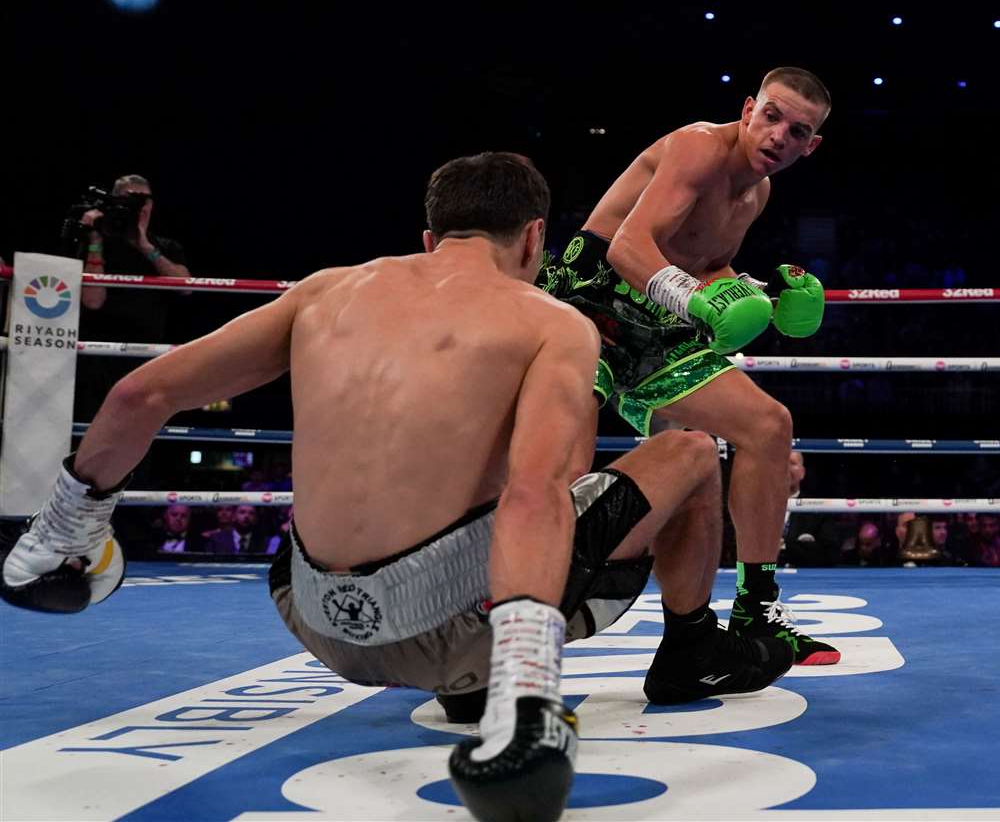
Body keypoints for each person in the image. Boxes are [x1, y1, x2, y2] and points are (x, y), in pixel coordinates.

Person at [2, 151, 792, 822]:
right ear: (535, 240)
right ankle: (679, 652)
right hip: (453, 629)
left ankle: (50, 539)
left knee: (449, 493)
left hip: (311, 619)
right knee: (686, 451)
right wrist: (531, 701)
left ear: (429, 237)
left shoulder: (324, 290)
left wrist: (64, 532)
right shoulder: (551, 321)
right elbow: (535, 496)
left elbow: (141, 397)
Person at [542, 67, 840, 664]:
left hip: (656, 326)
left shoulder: (757, 193)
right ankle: (472, 617)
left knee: (768, 426)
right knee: (560, 470)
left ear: (811, 146)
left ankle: (756, 612)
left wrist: (765, 300)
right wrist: (696, 298)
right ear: (750, 107)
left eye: (798, 130)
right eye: (772, 116)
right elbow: (629, 247)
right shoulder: (698, 146)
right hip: (586, 309)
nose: (779, 135)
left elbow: (706, 268)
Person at [74, 174, 193, 420]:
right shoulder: (95, 242)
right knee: (91, 430)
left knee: (138, 433)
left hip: (146, 357)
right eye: (130, 199)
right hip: (98, 357)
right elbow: (93, 301)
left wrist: (145, 246)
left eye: (144, 200)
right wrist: (95, 240)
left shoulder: (164, 246)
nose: (139, 206)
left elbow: (186, 286)